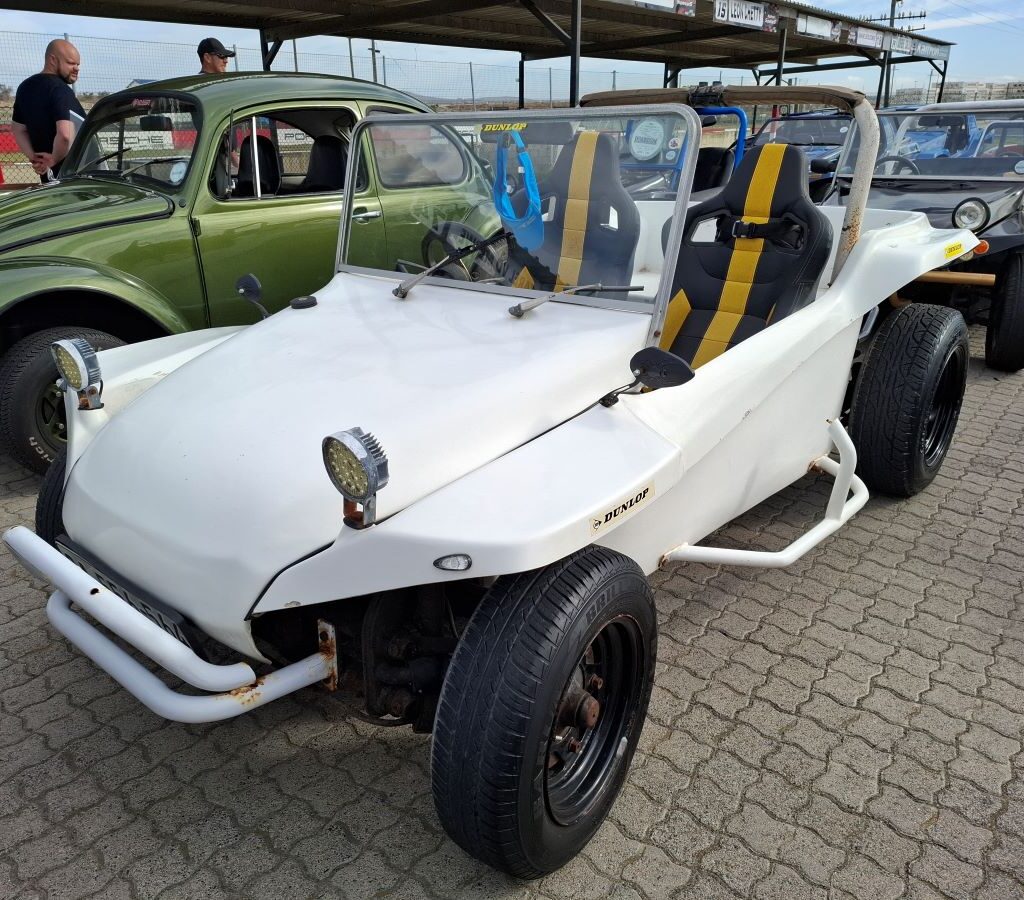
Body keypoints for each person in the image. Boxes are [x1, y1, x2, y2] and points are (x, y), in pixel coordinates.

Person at [11, 39, 84, 183]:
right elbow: (65, 134)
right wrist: (53, 160)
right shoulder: (60, 89)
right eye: (70, 63)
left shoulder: (25, 88)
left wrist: (35, 158)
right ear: (53, 60)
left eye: (78, 64)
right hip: (74, 179)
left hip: (48, 179)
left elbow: (18, 129)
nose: (76, 68)